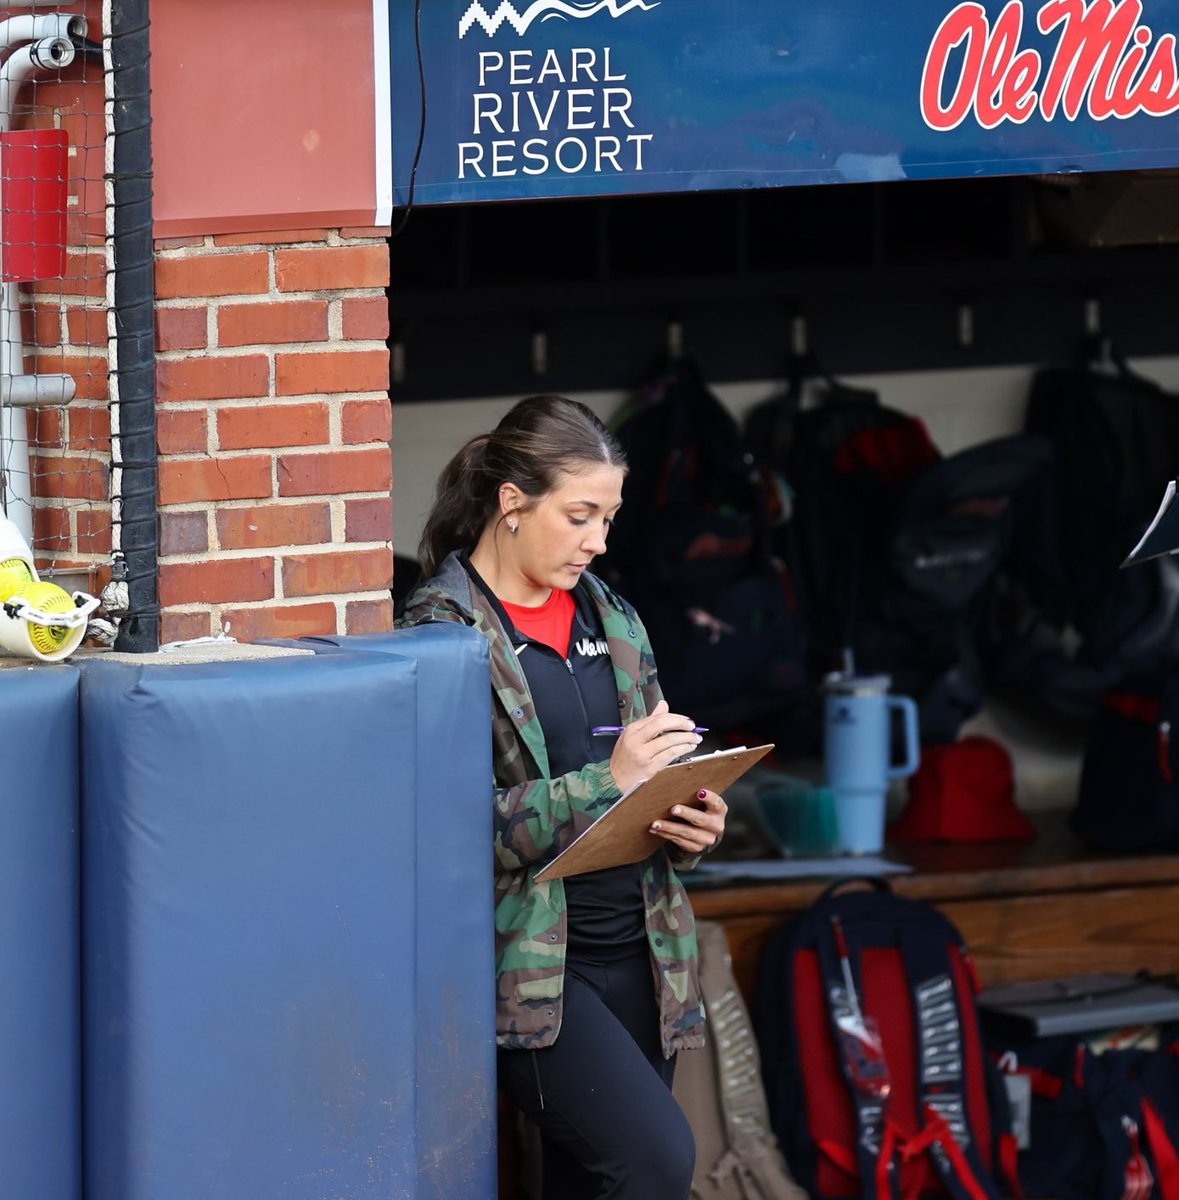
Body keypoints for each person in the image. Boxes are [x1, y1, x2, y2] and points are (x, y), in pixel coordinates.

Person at [397, 394, 728, 1199]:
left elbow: (651, 767)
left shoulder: (611, 614)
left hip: (642, 952)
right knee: (655, 1164)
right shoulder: (438, 634)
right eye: (580, 515)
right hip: (533, 975)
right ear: (511, 501)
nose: (598, 542)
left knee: (595, 1181)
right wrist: (606, 782)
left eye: (607, 519)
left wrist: (691, 815)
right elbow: (442, 831)